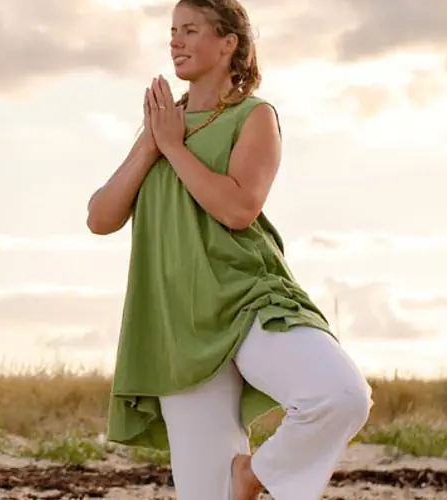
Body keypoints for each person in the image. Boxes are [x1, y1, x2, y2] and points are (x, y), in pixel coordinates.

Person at [86, 1, 374, 498]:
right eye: (172, 30)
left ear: (228, 43)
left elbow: (239, 208)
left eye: (190, 30)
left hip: (249, 302)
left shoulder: (254, 116)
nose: (175, 40)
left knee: (340, 394)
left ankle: (255, 473)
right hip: (179, 326)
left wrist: (175, 149)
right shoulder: (161, 126)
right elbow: (100, 217)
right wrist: (152, 145)